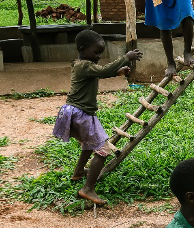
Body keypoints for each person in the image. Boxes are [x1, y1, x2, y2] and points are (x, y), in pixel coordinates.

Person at [53, 29, 141, 206]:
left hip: (75, 112)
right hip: (81, 114)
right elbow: (103, 70)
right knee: (103, 149)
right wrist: (126, 57)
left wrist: (117, 73)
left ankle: (78, 171)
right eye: (96, 52)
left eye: (101, 53)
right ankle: (87, 188)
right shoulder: (85, 65)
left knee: (88, 144)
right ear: (83, 49)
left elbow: (101, 71)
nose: (99, 56)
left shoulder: (81, 64)